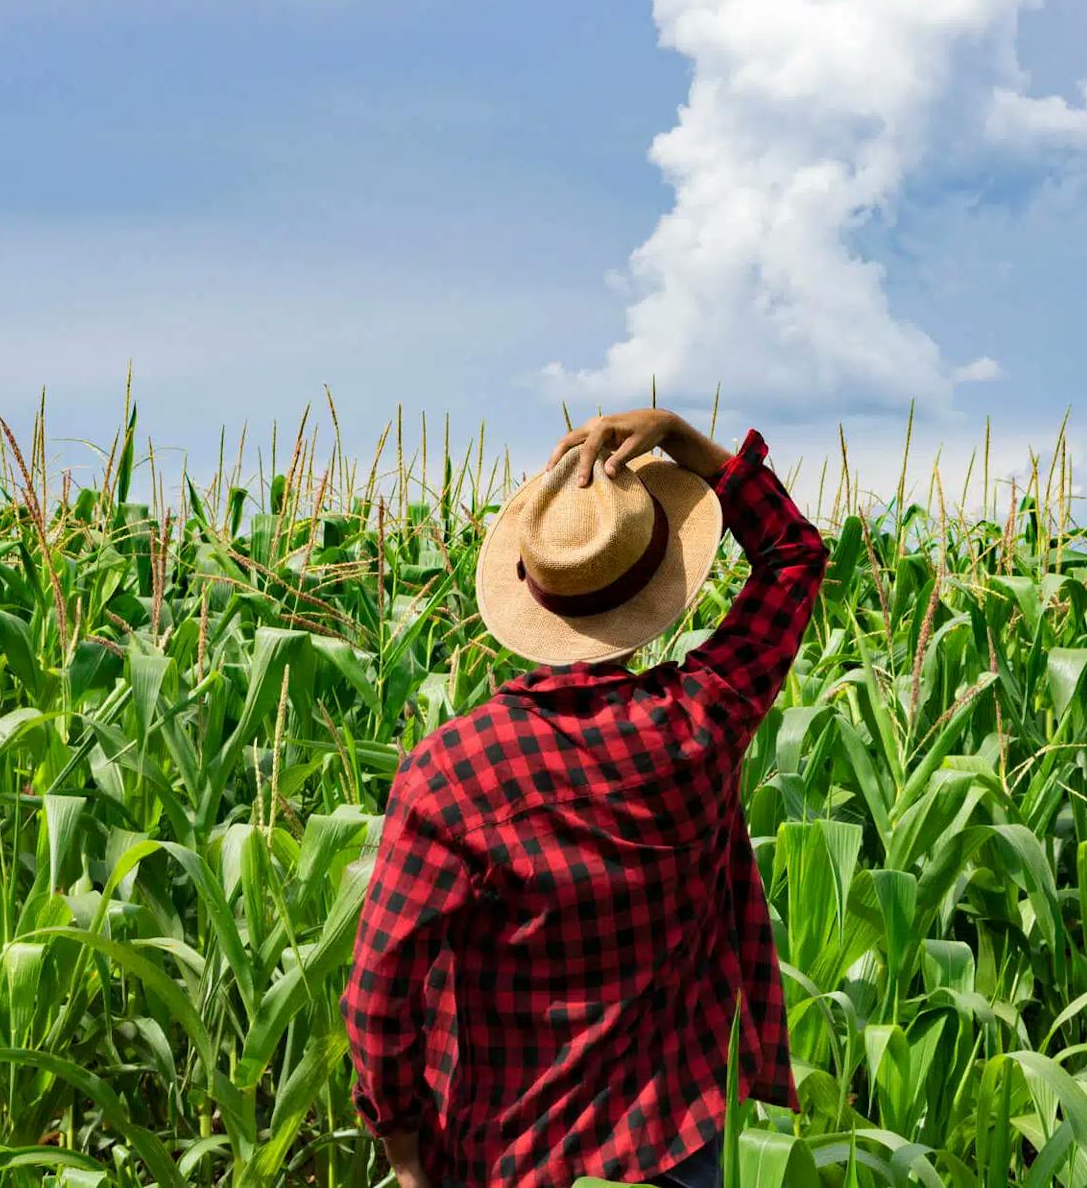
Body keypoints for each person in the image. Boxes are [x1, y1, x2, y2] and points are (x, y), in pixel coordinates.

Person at [341, 408, 827, 1188]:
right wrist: (682, 439)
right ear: (656, 587)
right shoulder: (702, 722)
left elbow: (378, 991)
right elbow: (793, 558)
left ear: (533, 594)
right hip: (675, 1145)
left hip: (508, 1157)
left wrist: (402, 1150)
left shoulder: (451, 773)